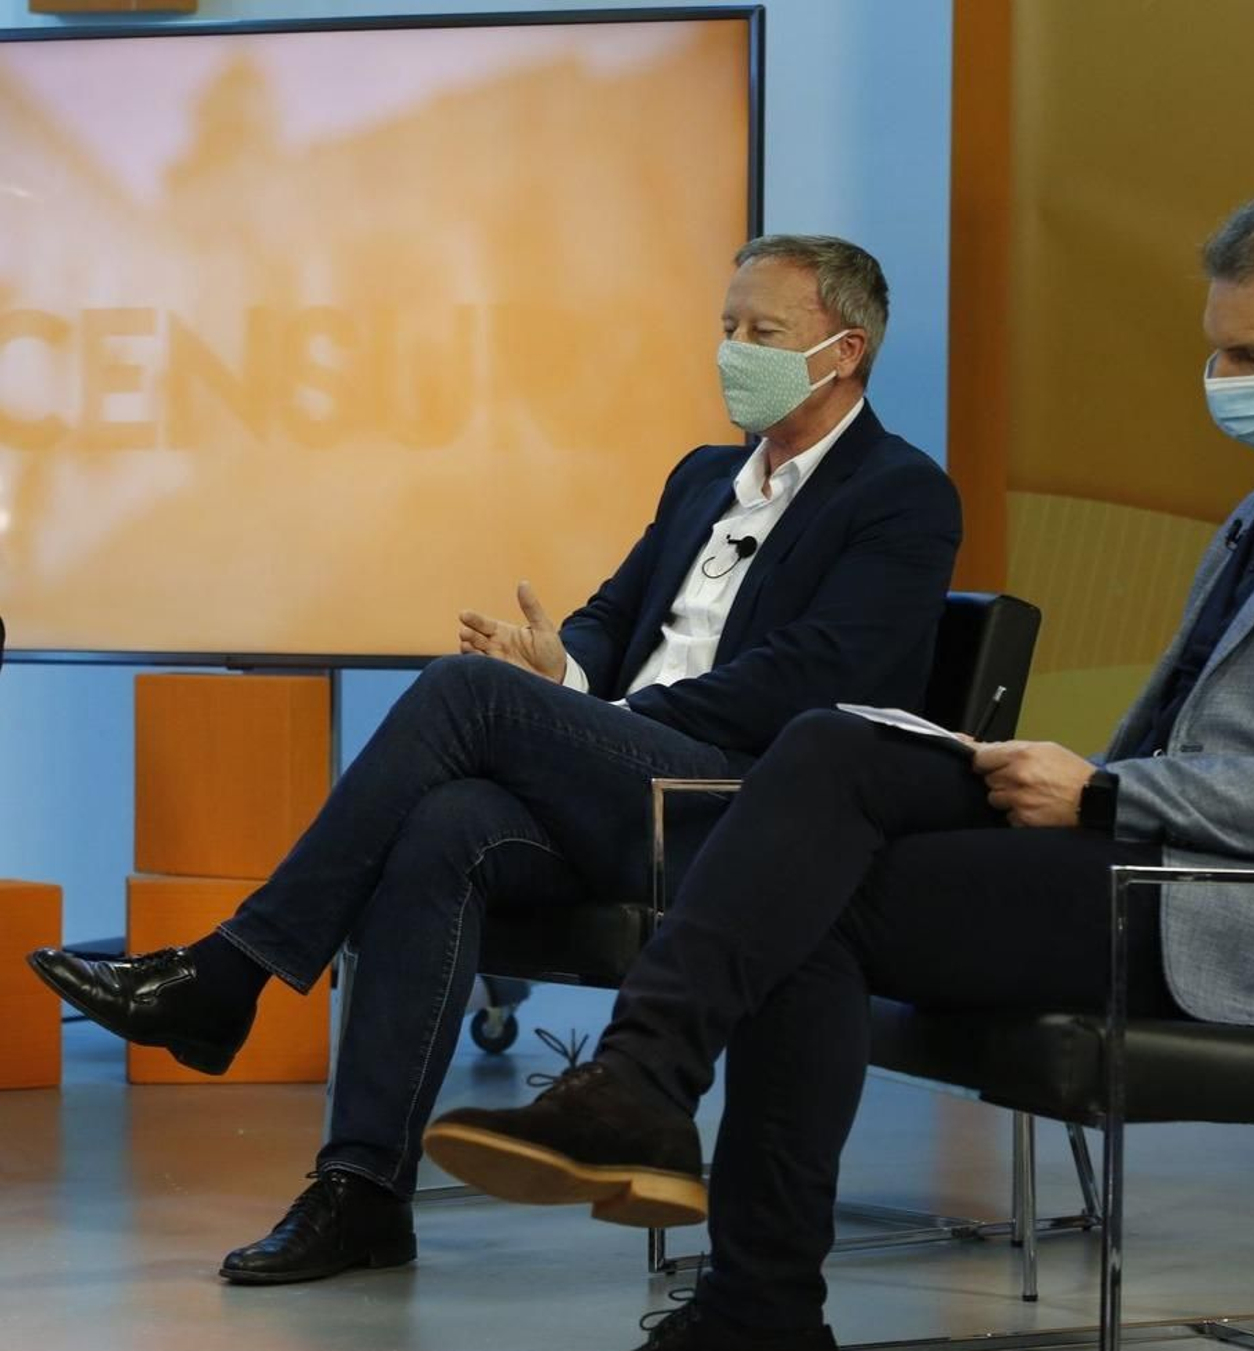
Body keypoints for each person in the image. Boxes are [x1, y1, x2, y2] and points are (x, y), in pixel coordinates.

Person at [419, 198, 1254, 1351]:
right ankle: (664, 1128)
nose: (1222, 376)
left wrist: (1098, 793)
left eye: (1250, 356)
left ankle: (722, 1236)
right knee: (830, 744)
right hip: (1158, 849)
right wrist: (1072, 782)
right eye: (1217, 348)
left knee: (813, 900)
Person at [25, 234, 962, 1286]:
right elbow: (614, 617)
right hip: (627, 782)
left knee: (467, 696)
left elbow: (806, 681)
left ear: (843, 351)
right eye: (726, 327)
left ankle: (232, 973)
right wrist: (562, 662)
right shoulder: (705, 477)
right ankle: (362, 1190)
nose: (732, 350)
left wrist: (579, 706)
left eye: (762, 333)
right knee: (447, 827)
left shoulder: (899, 495)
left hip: (743, 814)